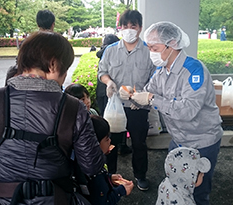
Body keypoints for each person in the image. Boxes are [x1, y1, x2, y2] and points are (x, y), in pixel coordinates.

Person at [0, 31, 104, 204]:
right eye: (66, 69)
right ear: (53, 64)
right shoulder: (73, 107)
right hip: (56, 199)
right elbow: (92, 165)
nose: (64, 77)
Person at [130, 21, 223, 204]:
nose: (151, 53)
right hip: (179, 140)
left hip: (201, 141)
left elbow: (188, 110)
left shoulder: (194, 70)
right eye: (149, 48)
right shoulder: (161, 70)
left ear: (172, 44)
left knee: (197, 192)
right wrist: (135, 97)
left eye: (154, 47)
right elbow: (150, 92)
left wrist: (150, 99)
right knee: (176, 188)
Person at [98, 9, 156, 189]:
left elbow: (155, 77)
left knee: (139, 142)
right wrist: (108, 83)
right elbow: (102, 72)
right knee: (111, 143)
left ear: (140, 28)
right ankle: (110, 176)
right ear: (120, 28)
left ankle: (140, 175)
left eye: (133, 26)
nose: (129, 29)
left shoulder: (149, 51)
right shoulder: (110, 50)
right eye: (125, 26)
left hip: (138, 105)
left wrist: (142, 95)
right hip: (116, 106)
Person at [83, 115, 134, 205]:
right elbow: (104, 202)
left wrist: (109, 178)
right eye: (106, 139)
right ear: (95, 145)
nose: (110, 141)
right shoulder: (95, 173)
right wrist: (122, 191)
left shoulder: (86, 161)